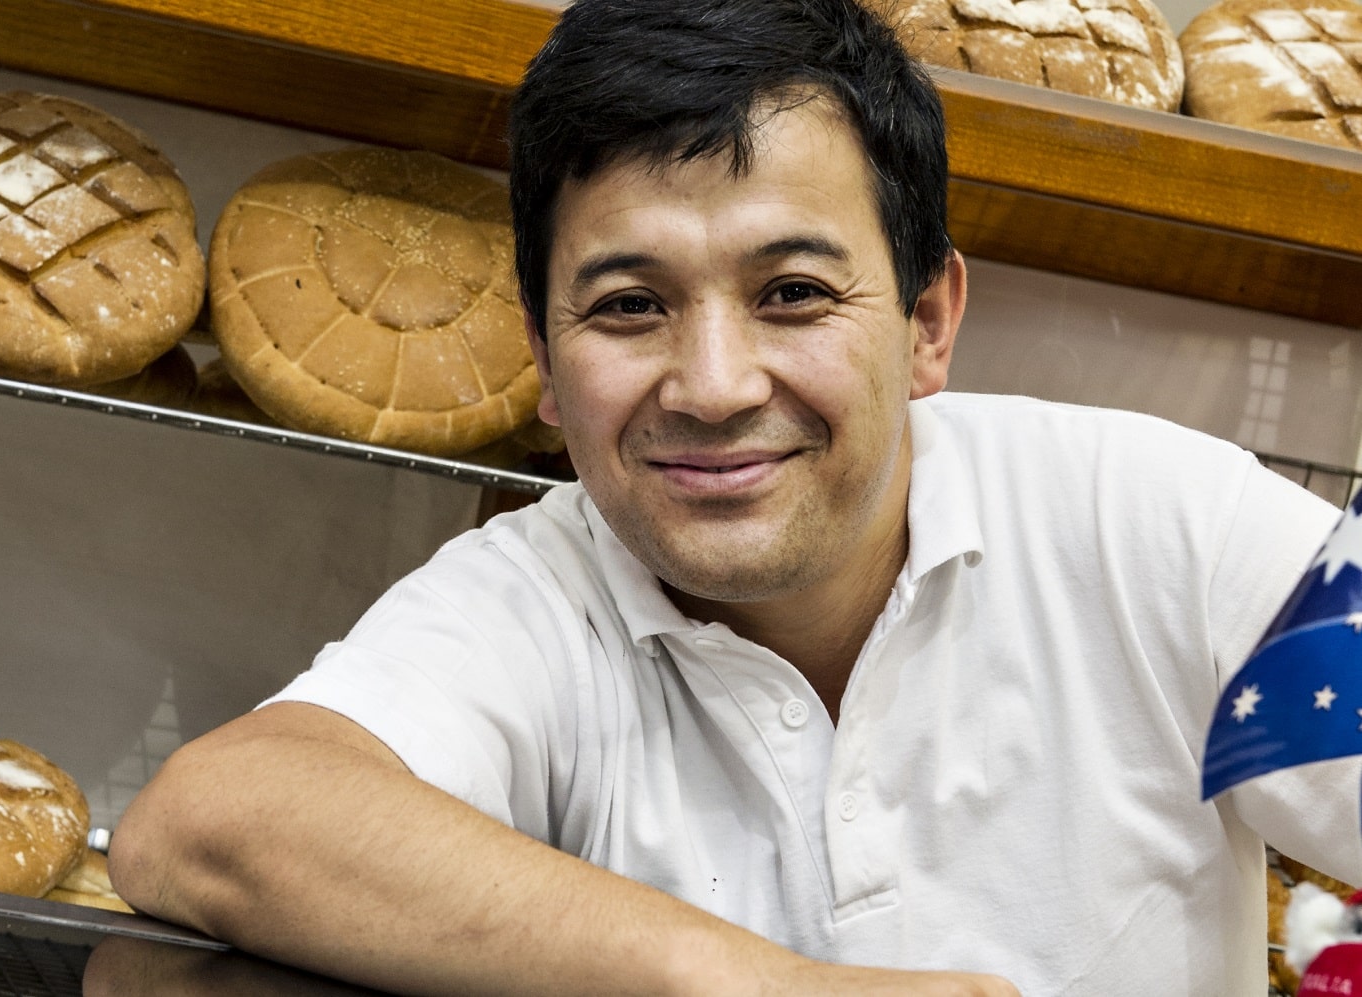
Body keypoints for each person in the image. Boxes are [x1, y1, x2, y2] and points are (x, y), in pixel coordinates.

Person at [108, 0, 1361, 993]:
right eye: (628, 307)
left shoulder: (1157, 523)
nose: (710, 387)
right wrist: (752, 983)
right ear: (542, 363)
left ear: (927, 321)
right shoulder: (538, 596)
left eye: (794, 294)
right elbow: (210, 823)